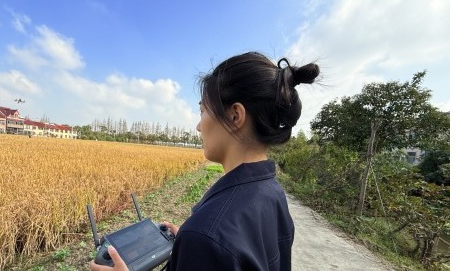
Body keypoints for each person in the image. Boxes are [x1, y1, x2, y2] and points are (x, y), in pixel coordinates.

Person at [90, 51, 320, 271]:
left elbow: (220, 243)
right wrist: (189, 249)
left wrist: (199, 243)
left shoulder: (208, 235)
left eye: (202, 111)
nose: (199, 126)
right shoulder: (272, 192)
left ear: (234, 116)